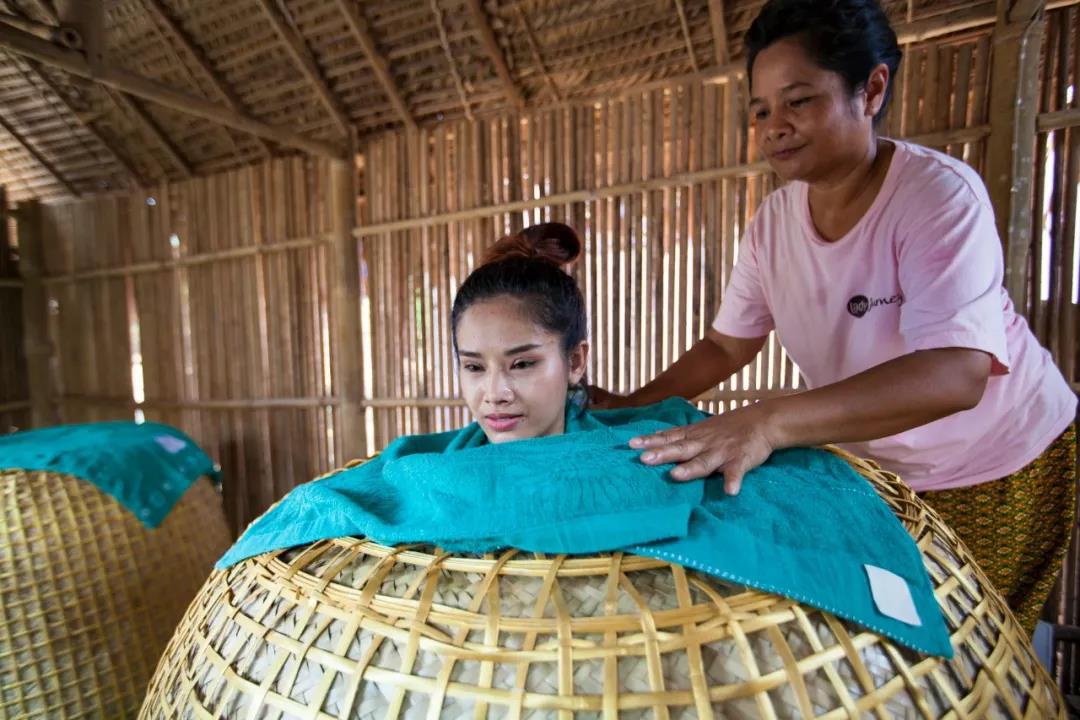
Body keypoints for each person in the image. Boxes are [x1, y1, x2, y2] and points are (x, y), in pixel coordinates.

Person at [590, 0, 1077, 632]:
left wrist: (767, 423)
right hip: (887, 468)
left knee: (967, 643)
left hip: (997, 459)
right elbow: (726, 347)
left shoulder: (935, 197)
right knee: (891, 630)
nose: (774, 127)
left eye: (799, 101)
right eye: (761, 111)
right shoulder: (772, 227)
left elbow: (958, 373)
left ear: (871, 89)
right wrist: (632, 405)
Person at [451, 221, 590, 442]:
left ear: (574, 362)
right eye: (474, 367)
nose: (495, 395)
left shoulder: (641, 459)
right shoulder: (409, 466)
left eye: (522, 364)